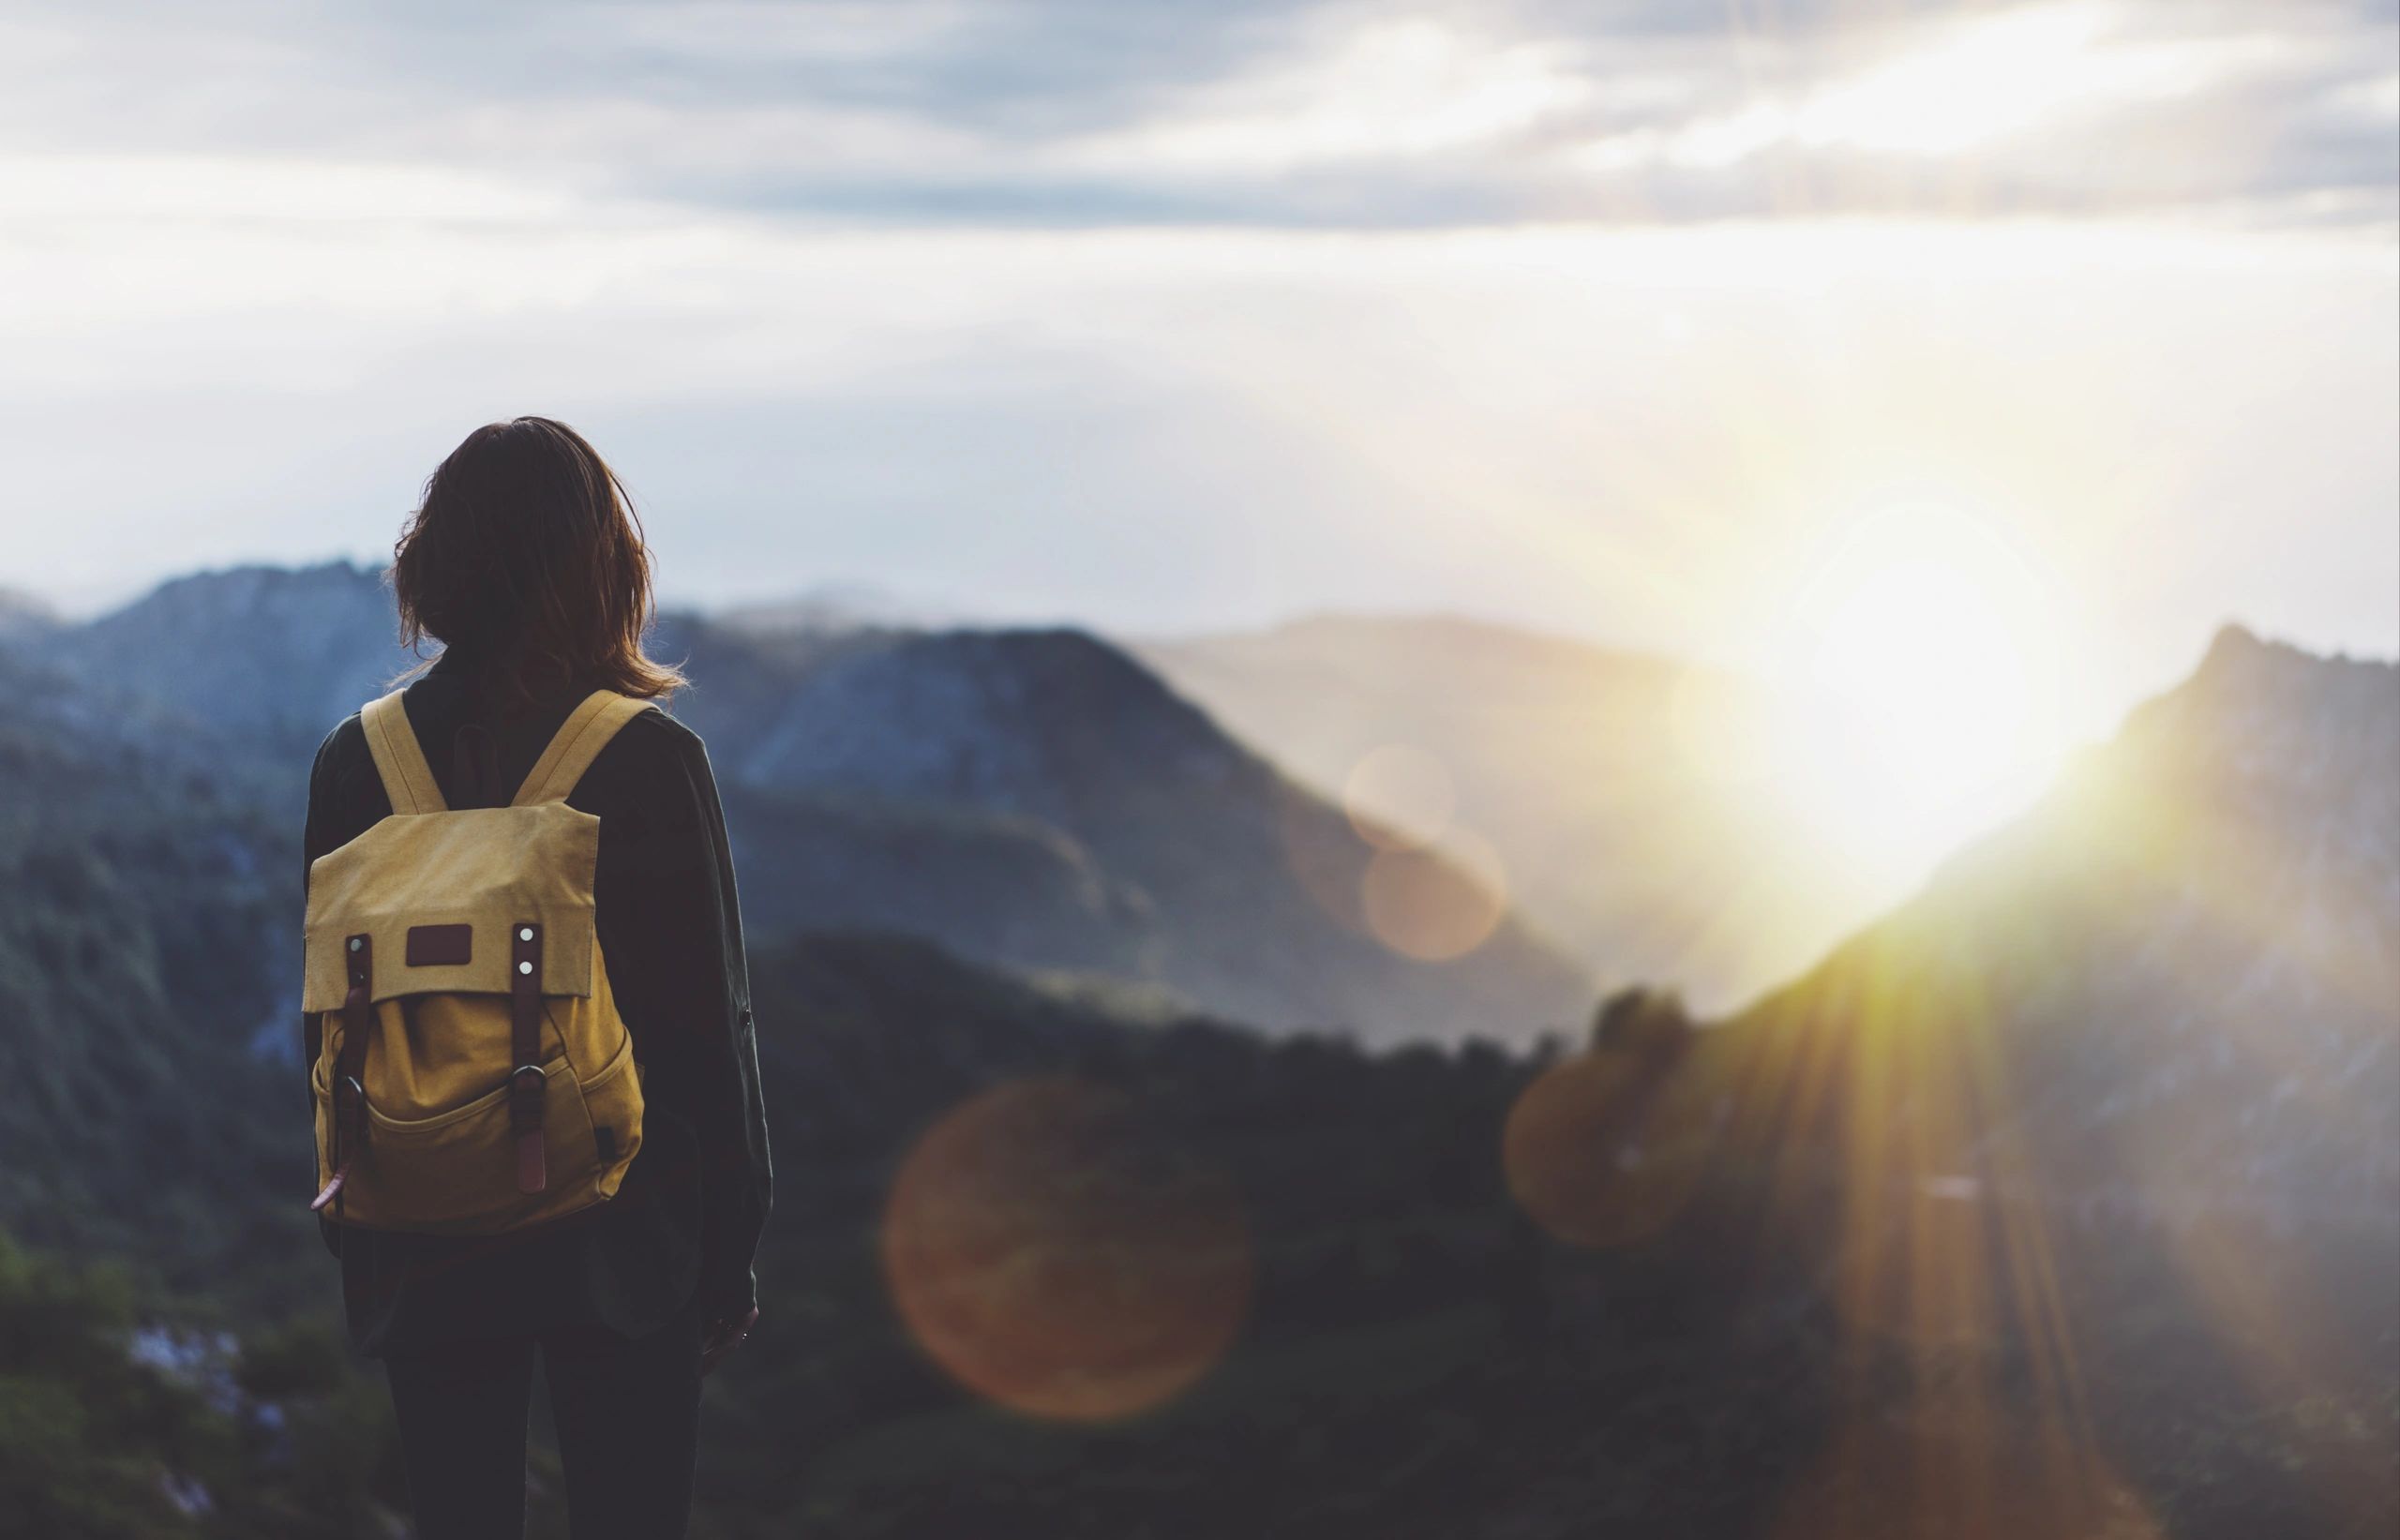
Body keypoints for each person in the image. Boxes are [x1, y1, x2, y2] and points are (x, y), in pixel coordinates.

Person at [300, 416, 772, 1539]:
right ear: (605, 567)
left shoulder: (353, 762)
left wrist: (356, 1217)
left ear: (433, 562)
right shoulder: (648, 755)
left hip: (418, 1224)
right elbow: (710, 1029)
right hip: (621, 1232)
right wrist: (728, 1253)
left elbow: (322, 1020)